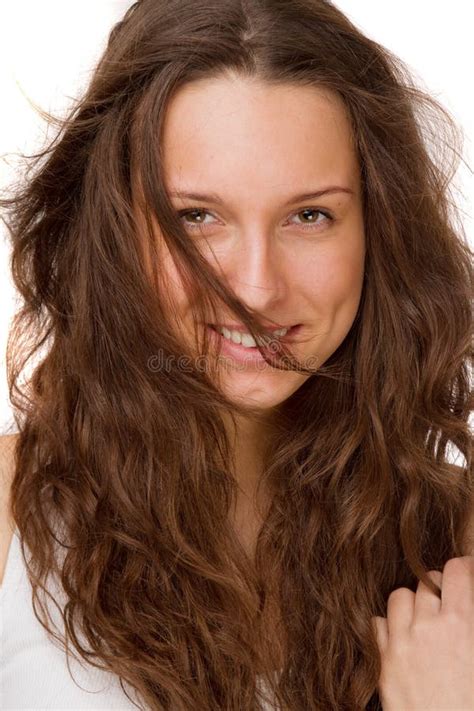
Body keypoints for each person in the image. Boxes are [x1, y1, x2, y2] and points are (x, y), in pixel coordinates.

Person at [0, 0, 472, 709]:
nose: (256, 287)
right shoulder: (11, 514)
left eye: (310, 215)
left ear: (379, 233)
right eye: (197, 217)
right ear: (113, 232)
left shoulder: (456, 539)